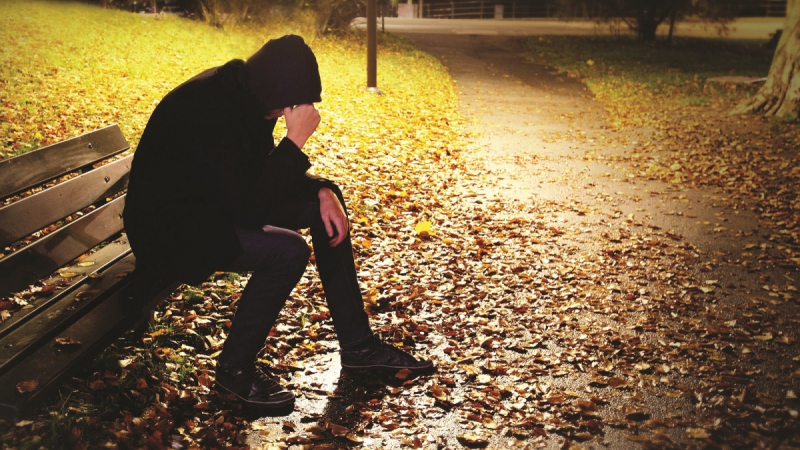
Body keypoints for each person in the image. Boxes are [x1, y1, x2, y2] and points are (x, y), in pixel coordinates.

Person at [122, 35, 434, 412]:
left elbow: (255, 177)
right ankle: (233, 371)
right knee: (288, 251)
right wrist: (295, 141)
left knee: (325, 210)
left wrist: (320, 190)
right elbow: (250, 209)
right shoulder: (208, 108)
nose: (285, 116)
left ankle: (359, 346)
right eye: (286, 109)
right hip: (170, 230)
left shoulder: (245, 96)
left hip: (209, 209)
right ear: (276, 93)